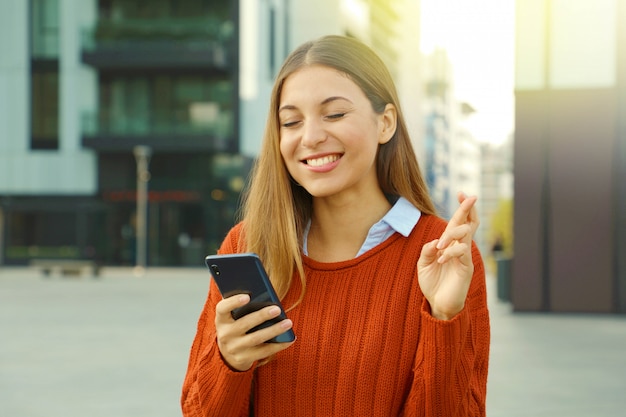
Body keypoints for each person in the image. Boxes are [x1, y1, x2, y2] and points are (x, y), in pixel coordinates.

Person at [181, 35, 490, 417]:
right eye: (291, 121)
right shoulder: (248, 243)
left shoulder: (443, 255)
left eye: (334, 114)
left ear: (385, 123)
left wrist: (444, 320)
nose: (310, 137)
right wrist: (229, 363)